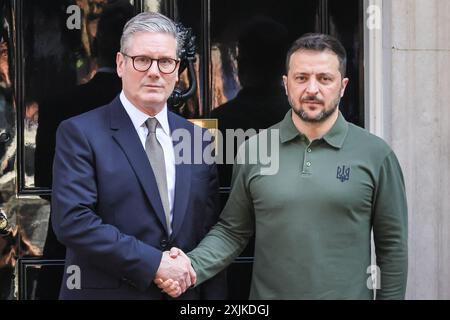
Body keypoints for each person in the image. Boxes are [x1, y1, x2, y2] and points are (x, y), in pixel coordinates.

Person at [158, 33, 408, 299]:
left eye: (324, 78)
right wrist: (188, 266)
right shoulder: (254, 150)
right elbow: (232, 231)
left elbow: (392, 247)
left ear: (342, 86)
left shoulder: (376, 155)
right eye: (302, 78)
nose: (312, 89)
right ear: (286, 85)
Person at [51, 11, 226, 299]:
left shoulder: (196, 138)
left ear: (177, 67)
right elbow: (74, 221)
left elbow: (206, 228)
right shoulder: (79, 133)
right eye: (142, 60)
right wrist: (155, 264)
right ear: (121, 64)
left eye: (166, 62)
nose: (155, 71)